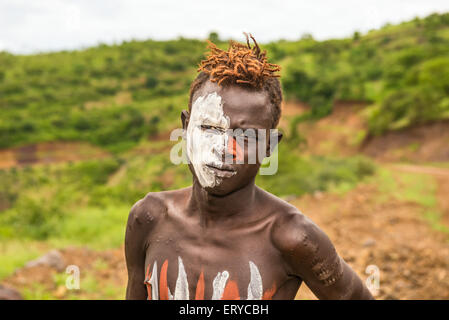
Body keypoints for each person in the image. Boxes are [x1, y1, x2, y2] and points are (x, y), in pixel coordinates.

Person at [125, 34, 374, 300]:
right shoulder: (148, 219)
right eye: (209, 128)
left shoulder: (291, 238)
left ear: (270, 146)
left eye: (245, 136)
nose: (223, 148)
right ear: (186, 128)